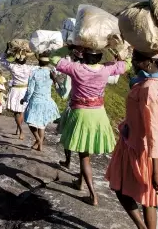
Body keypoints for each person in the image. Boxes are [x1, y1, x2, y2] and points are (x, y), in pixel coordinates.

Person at [105, 50, 158, 229]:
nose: (133, 61)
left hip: (143, 149)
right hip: (149, 144)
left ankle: (142, 227)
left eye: (137, 58)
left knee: (120, 189)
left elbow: (152, 130)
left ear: (150, 61)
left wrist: (156, 170)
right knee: (148, 198)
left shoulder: (148, 89)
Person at [50, 47, 131, 206]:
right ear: (100, 56)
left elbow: (53, 58)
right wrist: (123, 53)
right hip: (99, 114)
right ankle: (80, 182)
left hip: (81, 114)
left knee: (84, 157)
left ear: (83, 55)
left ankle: (93, 195)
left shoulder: (75, 68)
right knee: (86, 154)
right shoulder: (106, 69)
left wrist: (70, 47)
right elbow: (126, 65)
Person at [52, 45, 84, 169]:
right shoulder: (97, 70)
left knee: (67, 135)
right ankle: (83, 173)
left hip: (74, 108)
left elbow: (64, 94)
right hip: (94, 110)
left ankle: (68, 161)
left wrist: (55, 81)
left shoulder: (73, 72)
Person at [20, 53, 60, 151]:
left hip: (36, 101)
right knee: (41, 124)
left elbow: (30, 90)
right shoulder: (52, 72)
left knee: (31, 123)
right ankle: (40, 146)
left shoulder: (34, 73)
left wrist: (25, 99)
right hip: (47, 101)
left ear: (39, 62)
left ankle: (38, 140)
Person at [1, 51, 38, 139]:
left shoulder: (13, 67)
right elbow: (41, 66)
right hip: (25, 90)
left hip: (15, 91)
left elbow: (2, 60)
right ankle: (19, 128)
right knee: (21, 111)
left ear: (16, 59)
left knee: (17, 112)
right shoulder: (30, 68)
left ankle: (21, 130)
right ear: (25, 60)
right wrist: (37, 54)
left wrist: (6, 52)